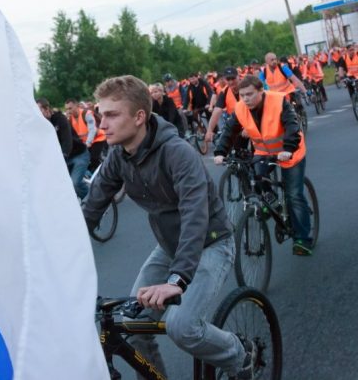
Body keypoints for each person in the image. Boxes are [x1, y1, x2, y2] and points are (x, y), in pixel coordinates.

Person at [81, 76, 254, 379]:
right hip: (170, 246)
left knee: (182, 327)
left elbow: (194, 217)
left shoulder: (177, 153)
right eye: (100, 114)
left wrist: (178, 279)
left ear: (138, 117)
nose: (102, 123)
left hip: (211, 243)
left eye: (111, 114)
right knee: (130, 324)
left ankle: (241, 355)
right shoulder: (118, 157)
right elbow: (90, 210)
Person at [213, 75, 314, 256]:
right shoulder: (241, 108)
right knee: (257, 180)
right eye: (242, 95)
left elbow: (292, 126)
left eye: (250, 94)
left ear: (261, 91)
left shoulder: (278, 101)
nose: (246, 99)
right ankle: (273, 204)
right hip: (263, 152)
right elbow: (230, 130)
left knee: (294, 195)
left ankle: (303, 239)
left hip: (290, 153)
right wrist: (221, 152)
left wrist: (289, 149)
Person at [36, 98, 90, 199]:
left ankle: (93, 205)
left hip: (78, 154)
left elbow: (67, 141)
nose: (37, 114)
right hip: (64, 159)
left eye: (39, 110)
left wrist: (64, 156)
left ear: (47, 108)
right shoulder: (42, 125)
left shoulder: (60, 118)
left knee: (74, 184)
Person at [65, 97, 108, 171]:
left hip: (98, 139)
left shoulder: (86, 114)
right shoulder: (70, 119)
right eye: (67, 109)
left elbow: (92, 129)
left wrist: (88, 143)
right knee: (87, 162)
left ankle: (105, 172)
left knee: (94, 159)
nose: (68, 111)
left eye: (70, 108)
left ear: (77, 106)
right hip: (86, 143)